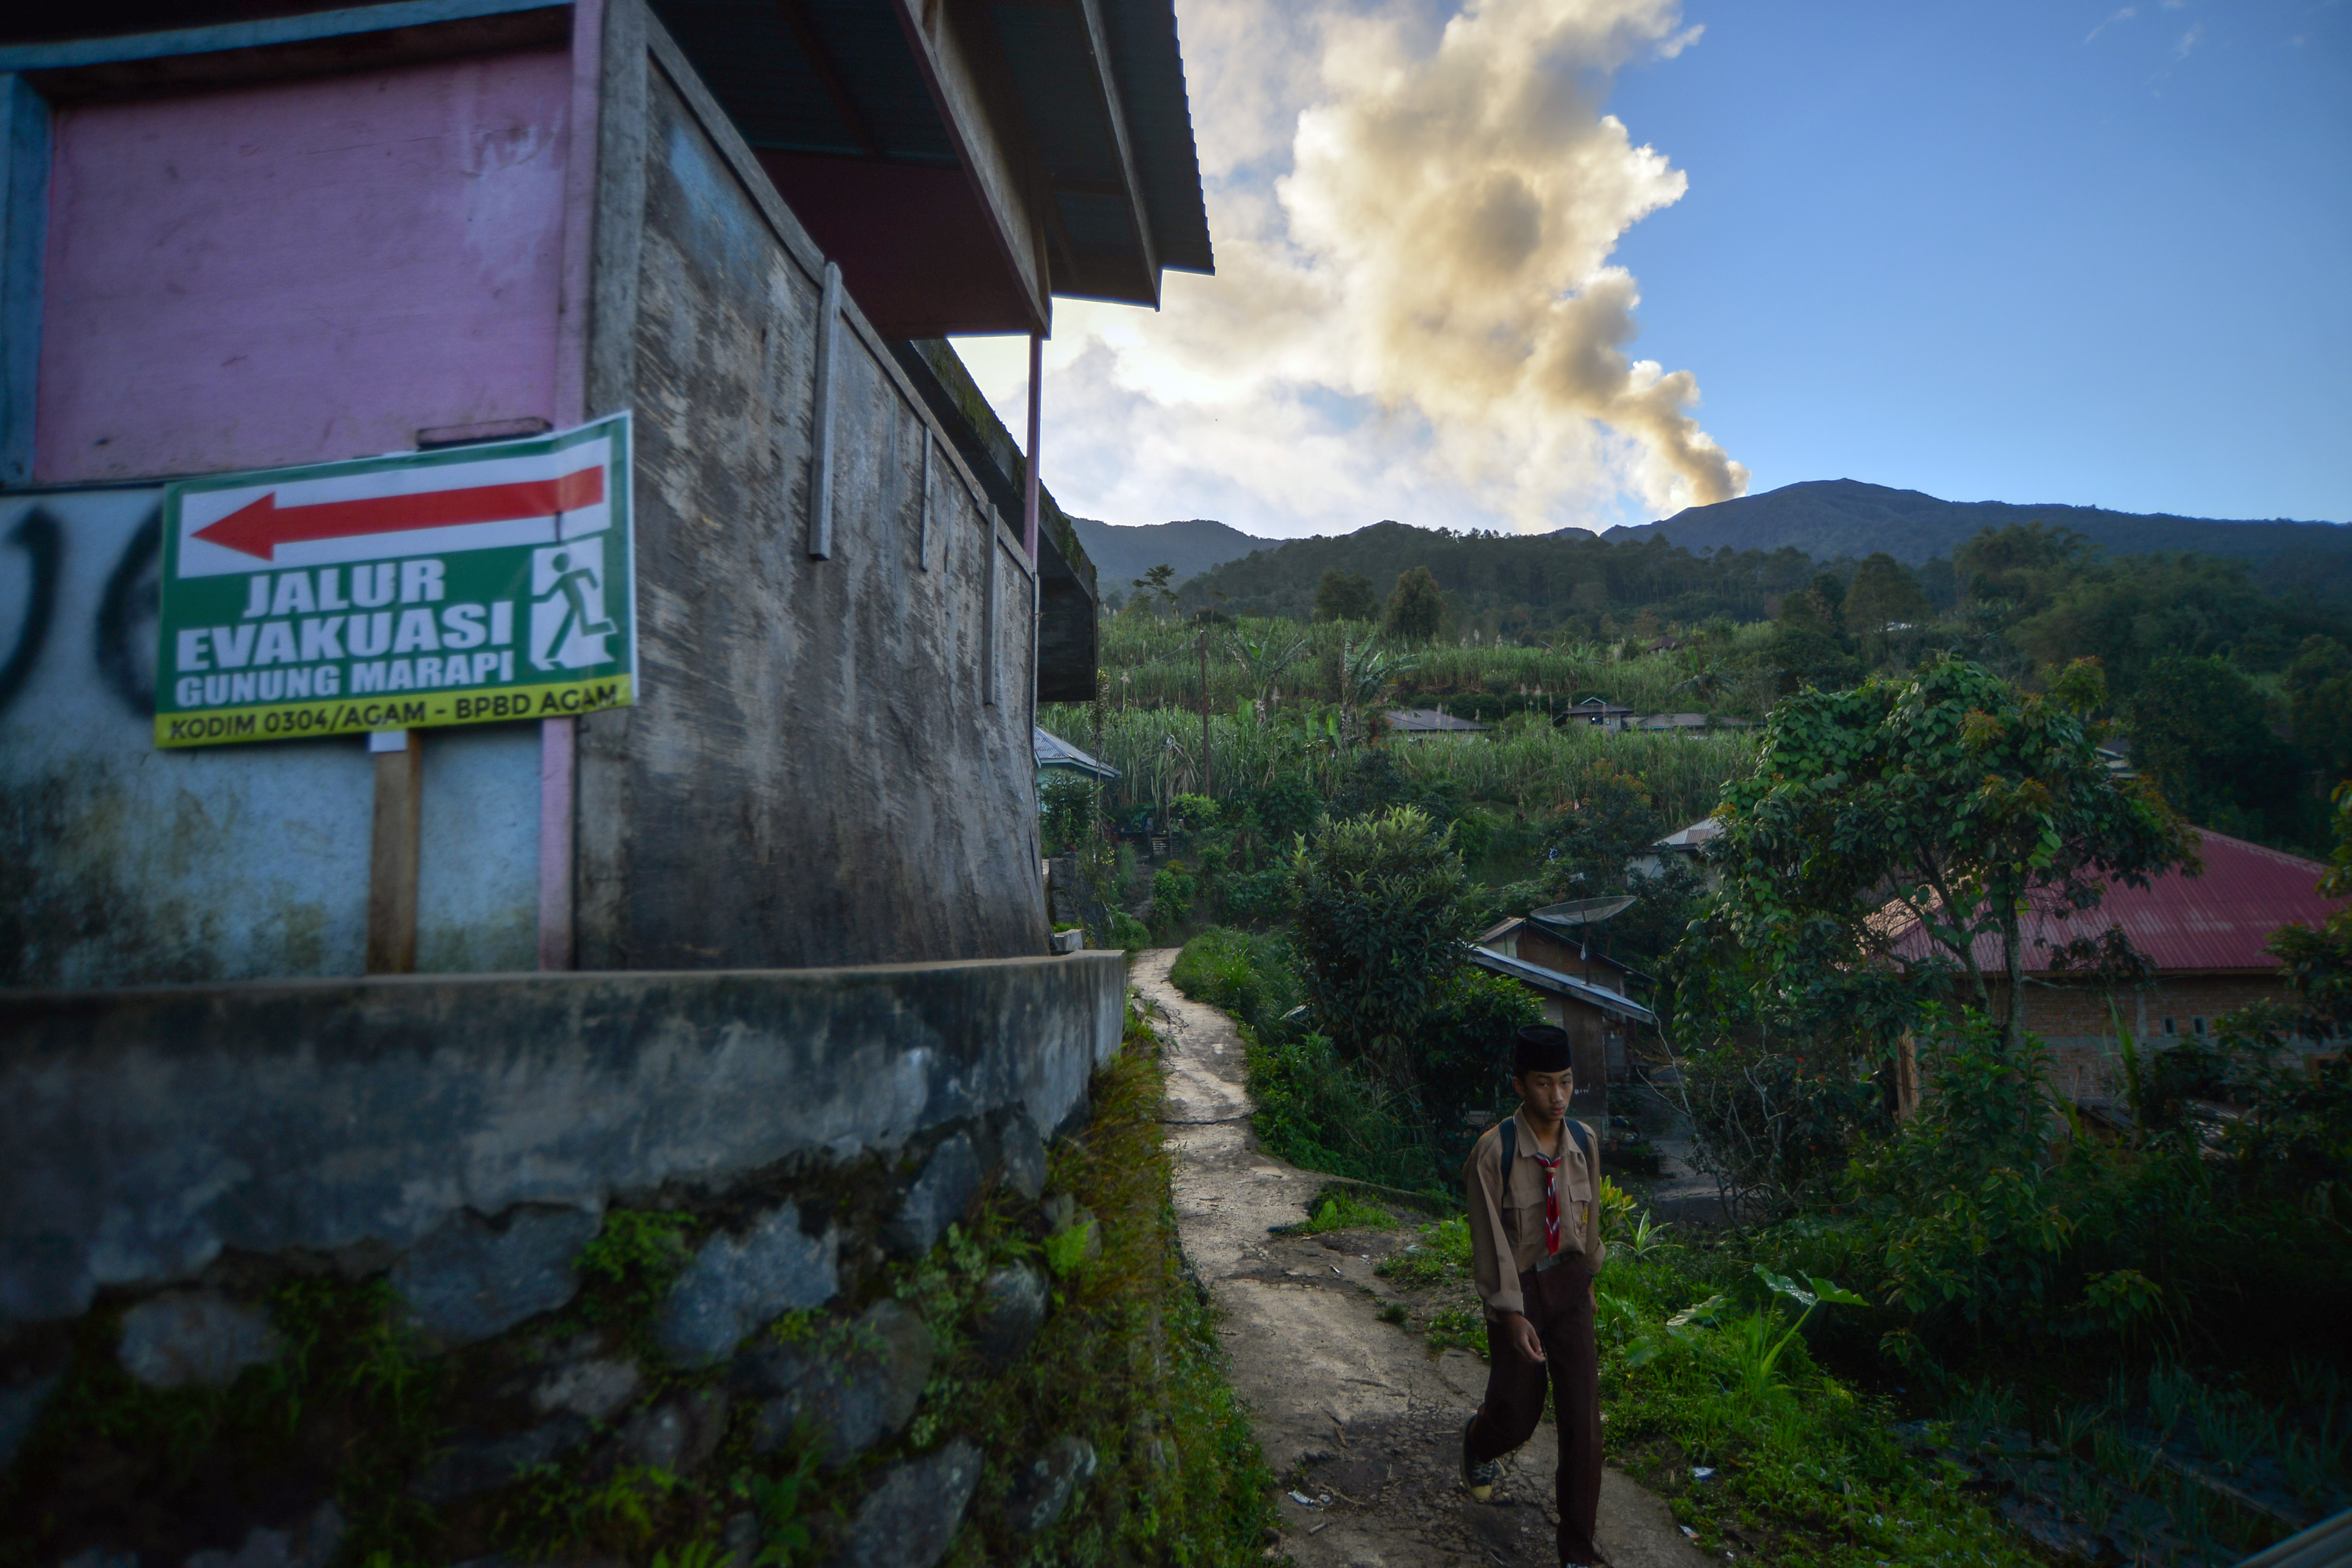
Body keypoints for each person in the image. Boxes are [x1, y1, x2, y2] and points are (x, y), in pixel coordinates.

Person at [1460, 1023, 1606, 1568]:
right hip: (1517, 1292)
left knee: (1583, 1424)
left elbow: (1589, 1219)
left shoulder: (1584, 1143)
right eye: (1544, 1084)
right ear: (1519, 1085)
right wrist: (1509, 1313)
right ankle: (1478, 1442)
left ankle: (1576, 1553)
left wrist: (1587, 1278)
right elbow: (1488, 1241)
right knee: (1516, 1416)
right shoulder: (1493, 1153)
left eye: (1566, 1082)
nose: (1559, 1097)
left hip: (1568, 1286)